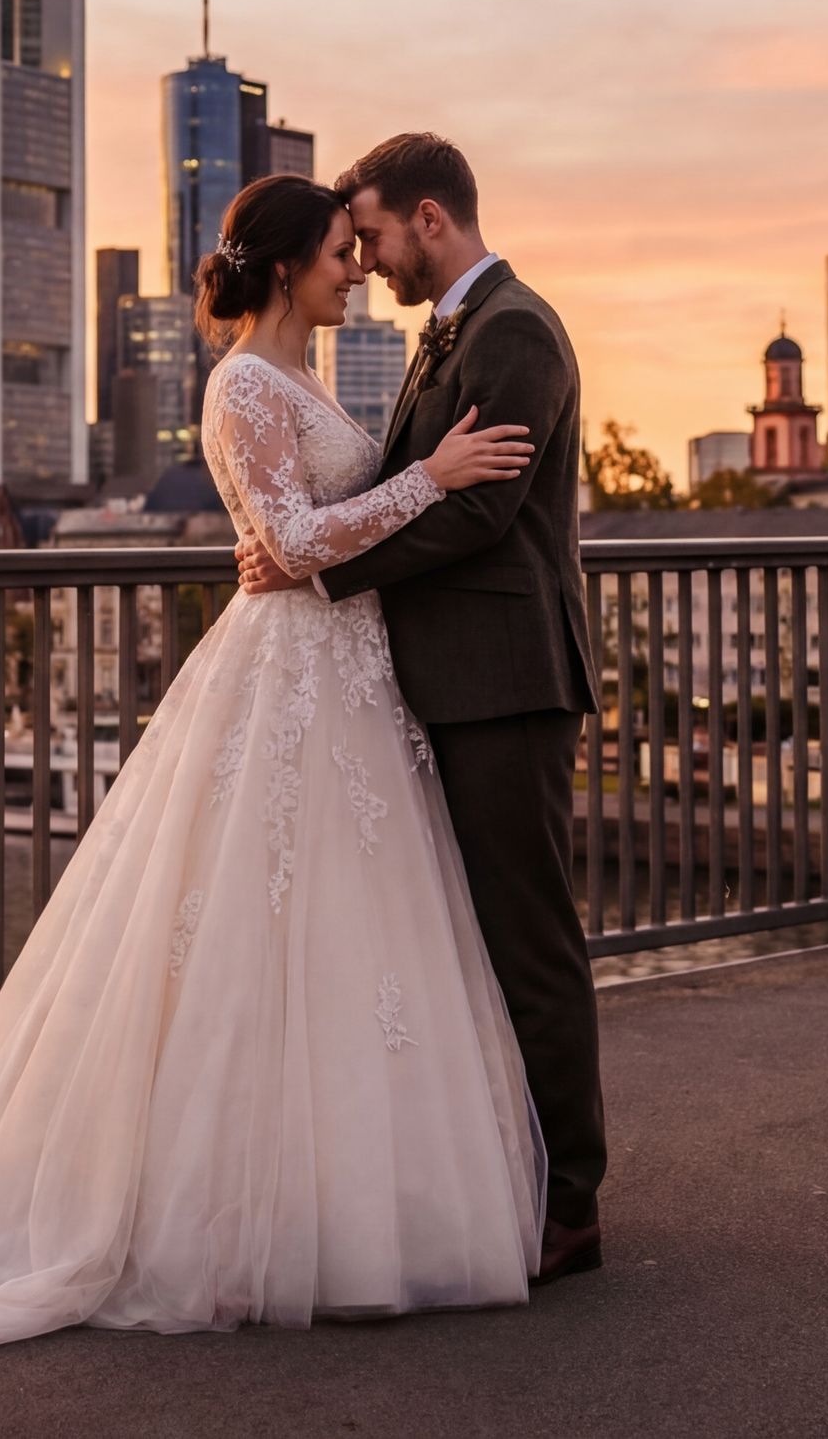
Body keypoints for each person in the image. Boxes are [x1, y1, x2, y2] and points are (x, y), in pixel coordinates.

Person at [0, 173, 547, 1346]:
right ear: (288, 268)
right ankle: (239, 1215)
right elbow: (286, 542)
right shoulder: (241, 383)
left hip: (349, 677)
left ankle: (349, 1207)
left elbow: (303, 538)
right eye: (341, 253)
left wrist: (370, 509)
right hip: (291, 674)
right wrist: (428, 478)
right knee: (254, 929)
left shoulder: (306, 376)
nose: (358, 272)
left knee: (345, 934)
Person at [235, 133, 607, 1282]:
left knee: (528, 941)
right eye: (349, 246)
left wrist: (315, 570)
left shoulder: (514, 331)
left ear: (430, 219)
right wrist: (316, 551)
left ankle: (570, 1205)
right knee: (467, 940)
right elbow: (416, 485)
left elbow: (479, 512)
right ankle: (506, 1178)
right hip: (441, 679)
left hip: (504, 681)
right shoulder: (453, 330)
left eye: (376, 236)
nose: (367, 261)